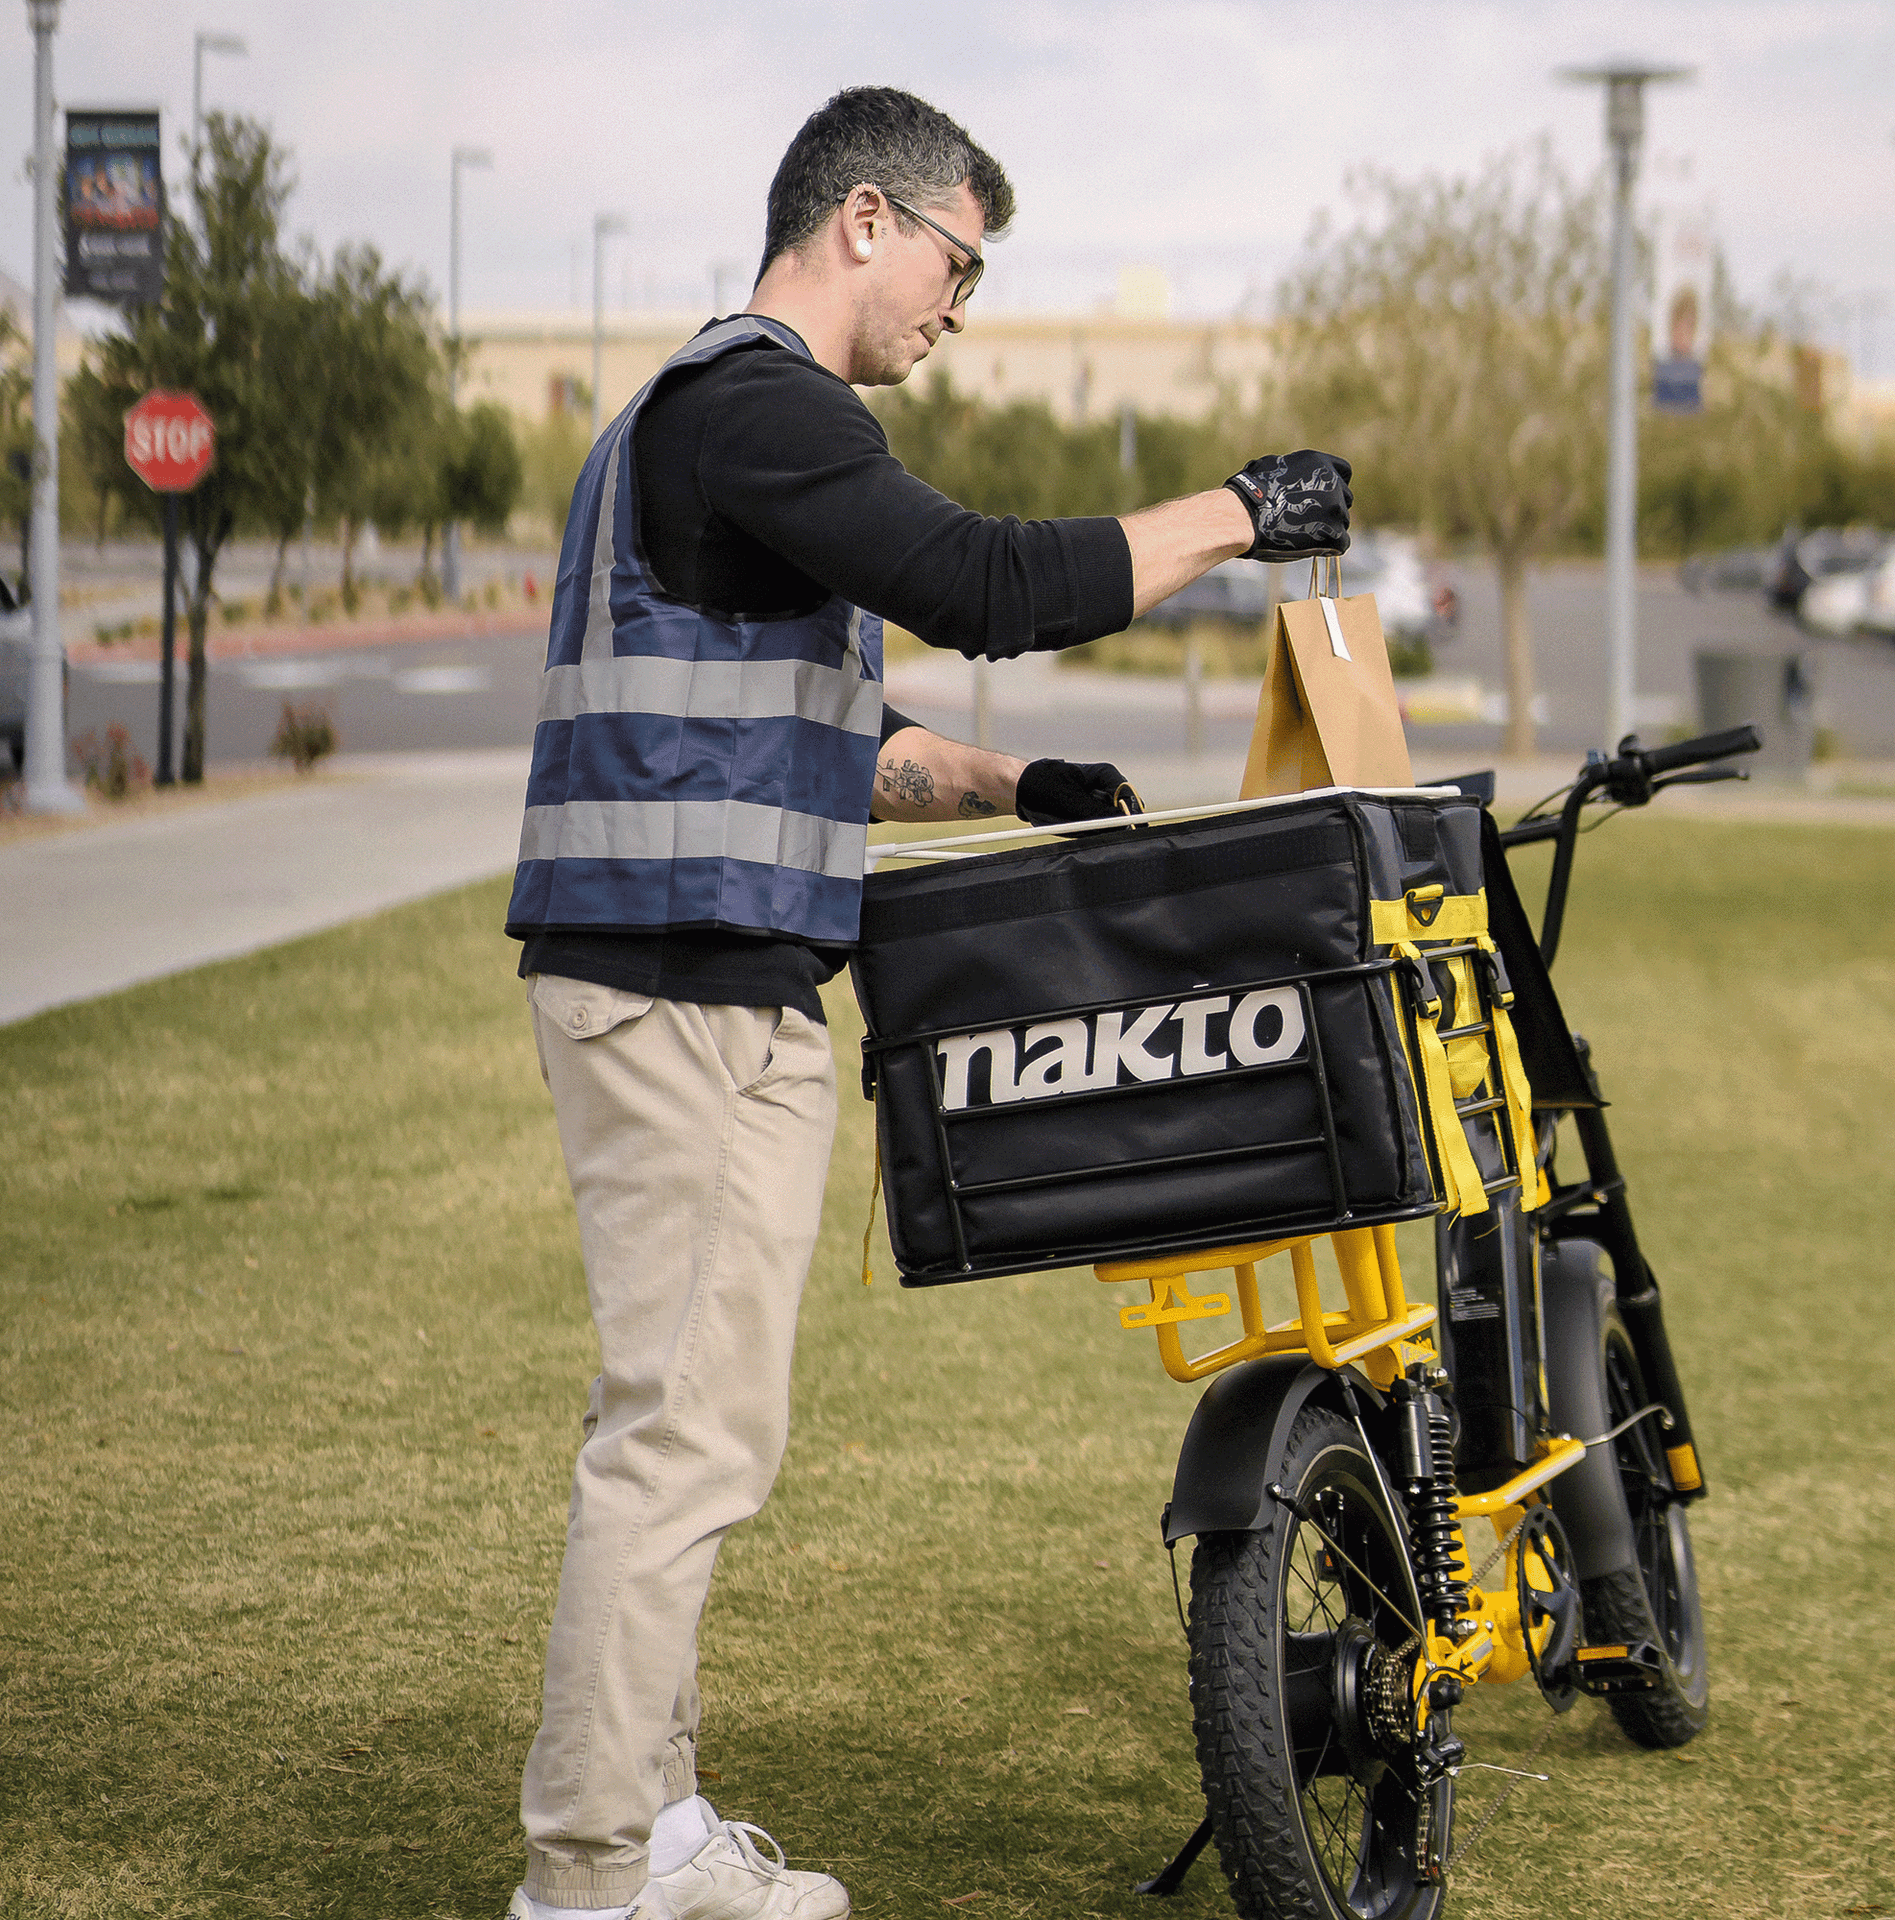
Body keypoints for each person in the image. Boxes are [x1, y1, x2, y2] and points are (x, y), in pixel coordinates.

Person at [504, 84, 1351, 1920]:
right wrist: (1240, 511)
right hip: (682, 997)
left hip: (688, 981)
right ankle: (585, 1874)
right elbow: (982, 578)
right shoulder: (758, 404)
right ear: (867, 219)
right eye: (960, 264)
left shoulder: (712, 424)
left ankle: (646, 1823)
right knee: (686, 1438)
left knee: (683, 1422)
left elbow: (812, 732)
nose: (959, 308)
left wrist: (1000, 783)